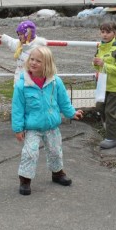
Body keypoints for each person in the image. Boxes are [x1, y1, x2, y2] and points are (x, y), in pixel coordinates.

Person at [11, 46, 83, 195]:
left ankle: (57, 173)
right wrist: (18, 128)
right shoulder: (22, 85)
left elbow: (63, 100)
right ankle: (25, 180)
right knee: (30, 153)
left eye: (39, 60)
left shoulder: (55, 82)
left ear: (47, 64)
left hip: (52, 126)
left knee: (55, 151)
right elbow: (17, 108)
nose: (34, 63)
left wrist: (71, 113)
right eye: (32, 59)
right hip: (32, 127)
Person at [92, 22, 116, 149]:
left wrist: (103, 64)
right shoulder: (101, 46)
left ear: (115, 33)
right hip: (105, 84)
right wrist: (96, 63)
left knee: (110, 110)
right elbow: (99, 66)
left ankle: (112, 138)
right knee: (100, 106)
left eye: (108, 32)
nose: (104, 35)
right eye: (102, 32)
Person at [0, 20, 48, 84]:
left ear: (28, 34)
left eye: (21, 34)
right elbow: (11, 42)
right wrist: (1, 37)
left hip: (31, 83)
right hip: (19, 81)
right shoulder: (20, 45)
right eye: (18, 34)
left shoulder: (38, 49)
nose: (19, 37)